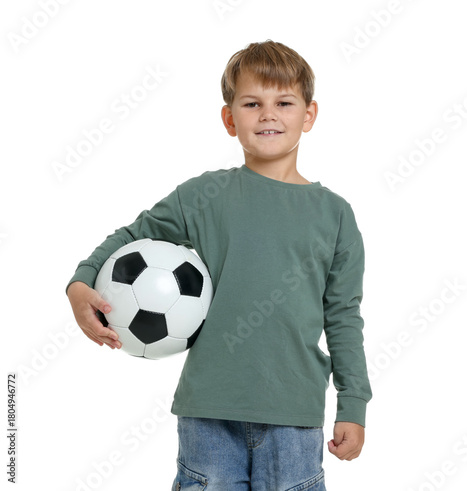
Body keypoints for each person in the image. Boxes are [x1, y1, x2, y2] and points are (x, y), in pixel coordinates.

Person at [66, 39, 373, 490]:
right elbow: (132, 235)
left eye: (284, 102)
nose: (268, 115)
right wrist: (80, 284)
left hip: (293, 414)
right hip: (207, 412)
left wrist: (353, 403)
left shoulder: (336, 214)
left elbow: (343, 315)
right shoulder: (204, 196)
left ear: (309, 115)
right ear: (230, 119)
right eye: (252, 103)